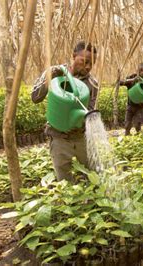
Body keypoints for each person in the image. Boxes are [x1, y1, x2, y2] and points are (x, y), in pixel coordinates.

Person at [31, 41, 99, 182]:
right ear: (74, 56)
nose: (87, 67)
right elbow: (35, 97)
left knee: (89, 176)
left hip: (80, 137)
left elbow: (89, 110)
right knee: (63, 180)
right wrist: (49, 80)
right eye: (84, 61)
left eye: (91, 64)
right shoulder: (55, 72)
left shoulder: (92, 83)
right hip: (58, 137)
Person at [118, 63, 143, 135]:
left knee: (137, 126)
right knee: (127, 126)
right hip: (130, 106)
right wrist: (132, 80)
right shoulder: (132, 77)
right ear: (137, 70)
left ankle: (138, 140)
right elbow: (120, 82)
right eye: (140, 70)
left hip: (139, 108)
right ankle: (127, 140)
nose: (141, 72)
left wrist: (142, 100)